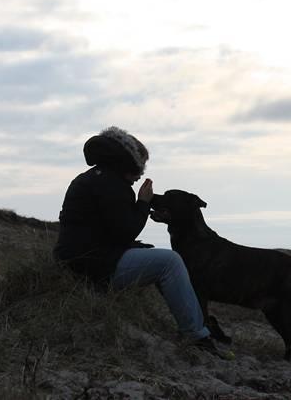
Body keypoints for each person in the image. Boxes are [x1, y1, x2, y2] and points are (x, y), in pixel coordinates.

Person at [54, 126, 218, 351]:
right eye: (140, 166)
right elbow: (125, 230)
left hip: (78, 260)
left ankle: (196, 326)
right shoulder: (111, 184)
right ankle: (197, 335)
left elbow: (105, 230)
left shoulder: (94, 178)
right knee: (170, 262)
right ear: (127, 162)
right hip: (91, 265)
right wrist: (143, 202)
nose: (141, 174)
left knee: (156, 258)